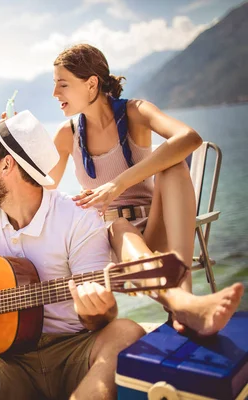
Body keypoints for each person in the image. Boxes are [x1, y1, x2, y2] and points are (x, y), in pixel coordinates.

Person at [0, 110, 147, 400]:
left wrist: (97, 311)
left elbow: (100, 321)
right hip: (8, 360)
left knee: (126, 332)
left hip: (73, 348)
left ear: (7, 165)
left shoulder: (78, 218)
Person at [45, 43, 243, 334]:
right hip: (113, 246)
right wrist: (14, 145)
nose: (55, 94)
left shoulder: (135, 112)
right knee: (120, 225)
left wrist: (118, 183)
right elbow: (42, 188)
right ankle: (185, 306)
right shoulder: (67, 135)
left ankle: (182, 300)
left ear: (91, 85)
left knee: (174, 166)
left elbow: (189, 138)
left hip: (156, 230)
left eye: (63, 84)